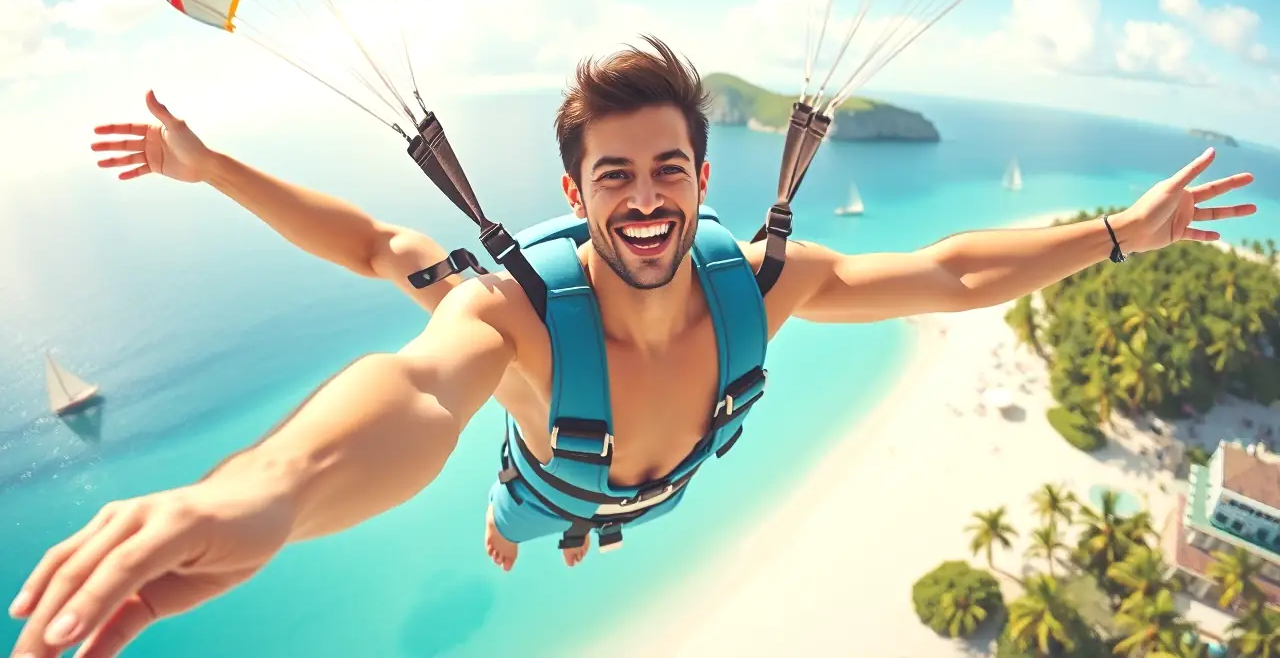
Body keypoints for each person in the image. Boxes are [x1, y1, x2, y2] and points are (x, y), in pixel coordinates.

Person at [8, 35, 1256, 658]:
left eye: (669, 168)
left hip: (652, 486)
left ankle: (573, 526)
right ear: (577, 187)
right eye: (616, 175)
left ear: (703, 175)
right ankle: (522, 531)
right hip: (545, 479)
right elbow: (408, 389)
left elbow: (949, 270)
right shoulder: (505, 315)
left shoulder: (765, 284)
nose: (647, 196)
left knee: (596, 505)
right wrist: (263, 492)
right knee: (512, 495)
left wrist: (1114, 235)